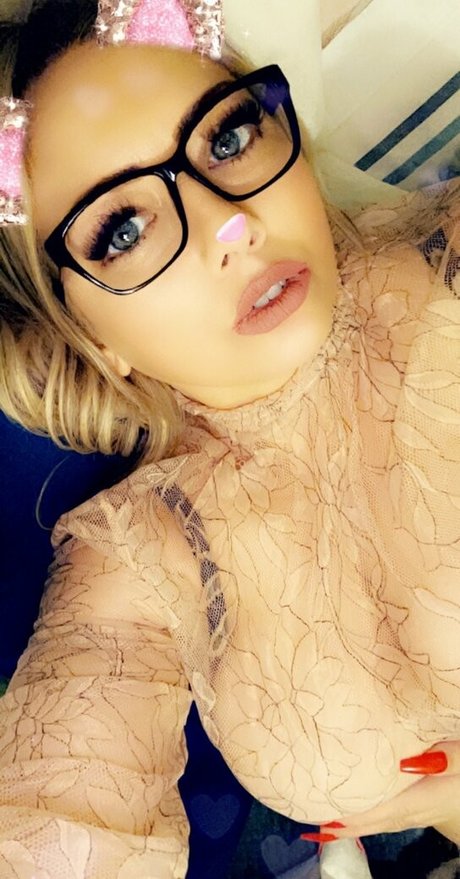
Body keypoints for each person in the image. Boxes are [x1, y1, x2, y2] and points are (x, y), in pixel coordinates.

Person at [0, 0, 459, 876]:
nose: (230, 225)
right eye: (123, 228)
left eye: (227, 138)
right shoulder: (136, 560)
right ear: (86, 332)